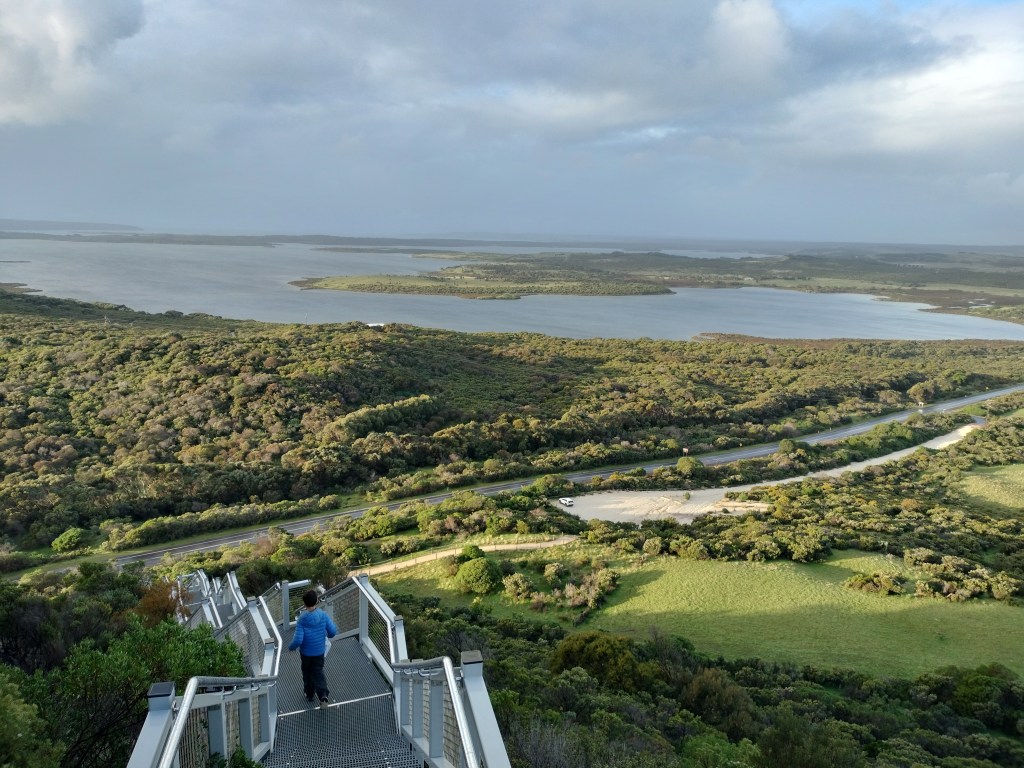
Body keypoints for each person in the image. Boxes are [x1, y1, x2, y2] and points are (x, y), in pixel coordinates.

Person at [288, 589, 338, 708]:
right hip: (319, 652)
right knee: (318, 671)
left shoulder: (302, 619)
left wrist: (291, 647)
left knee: (307, 672)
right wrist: (326, 636)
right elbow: (332, 632)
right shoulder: (323, 615)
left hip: (306, 653)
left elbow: (298, 639)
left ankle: (309, 694)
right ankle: (323, 695)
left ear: (304, 604)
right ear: (316, 601)